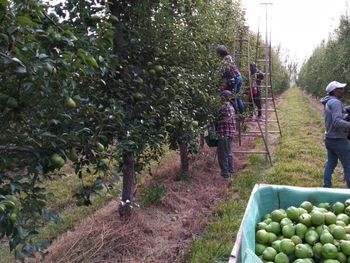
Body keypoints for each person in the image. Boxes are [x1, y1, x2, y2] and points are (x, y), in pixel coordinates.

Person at [321, 81, 350, 188]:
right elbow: (336, 122)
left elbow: (335, 118)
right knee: (348, 165)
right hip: (339, 139)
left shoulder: (328, 102)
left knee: (331, 163)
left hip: (330, 138)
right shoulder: (336, 103)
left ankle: (326, 186)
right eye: (340, 89)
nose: (343, 91)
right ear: (334, 91)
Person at [216, 45, 244, 114]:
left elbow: (224, 70)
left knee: (232, 97)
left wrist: (217, 78)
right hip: (238, 77)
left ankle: (235, 115)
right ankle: (241, 114)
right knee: (237, 97)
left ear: (220, 53)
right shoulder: (229, 57)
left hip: (234, 79)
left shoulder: (226, 59)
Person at [216, 90, 236, 178]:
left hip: (224, 134)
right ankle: (230, 171)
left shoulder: (223, 108)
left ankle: (225, 175)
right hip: (230, 133)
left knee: (222, 155)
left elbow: (217, 119)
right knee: (228, 153)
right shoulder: (231, 107)